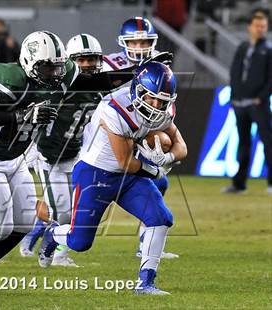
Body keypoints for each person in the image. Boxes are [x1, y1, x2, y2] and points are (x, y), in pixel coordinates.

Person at [0, 30, 146, 289]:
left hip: (16, 158)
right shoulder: (8, 77)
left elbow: (96, 82)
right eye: (47, 67)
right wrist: (21, 116)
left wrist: (140, 70)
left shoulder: (59, 75)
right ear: (30, 62)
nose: (55, 74)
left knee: (23, 224)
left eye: (58, 67)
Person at [38, 61, 187, 295]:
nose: (157, 105)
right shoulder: (114, 107)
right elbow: (125, 162)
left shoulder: (162, 109)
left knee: (161, 218)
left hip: (128, 177)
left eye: (162, 100)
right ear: (137, 90)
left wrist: (166, 159)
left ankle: (146, 283)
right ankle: (53, 234)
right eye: (151, 98)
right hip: (95, 174)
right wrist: (156, 170)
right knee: (80, 243)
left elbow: (180, 146)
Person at [19, 33, 103, 267]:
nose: (87, 65)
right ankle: (53, 251)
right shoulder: (59, 88)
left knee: (74, 209)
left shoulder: (100, 91)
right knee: (63, 213)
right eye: (80, 60)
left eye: (92, 59)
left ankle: (38, 237)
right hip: (47, 154)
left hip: (74, 154)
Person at [103, 16, 178, 259]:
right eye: (133, 43)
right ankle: (45, 235)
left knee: (161, 177)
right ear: (122, 43)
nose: (139, 47)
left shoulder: (159, 63)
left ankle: (146, 244)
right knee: (77, 204)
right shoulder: (109, 63)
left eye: (144, 41)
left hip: (139, 129)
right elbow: (102, 89)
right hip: (107, 133)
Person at [222, 12, 272, 194]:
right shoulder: (242, 48)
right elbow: (234, 72)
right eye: (257, 26)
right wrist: (234, 95)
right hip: (240, 104)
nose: (260, 29)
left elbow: (270, 78)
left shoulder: (268, 49)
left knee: (268, 141)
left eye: (263, 26)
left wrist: (262, 97)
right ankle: (239, 183)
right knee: (243, 144)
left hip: (258, 104)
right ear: (250, 27)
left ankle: (271, 183)